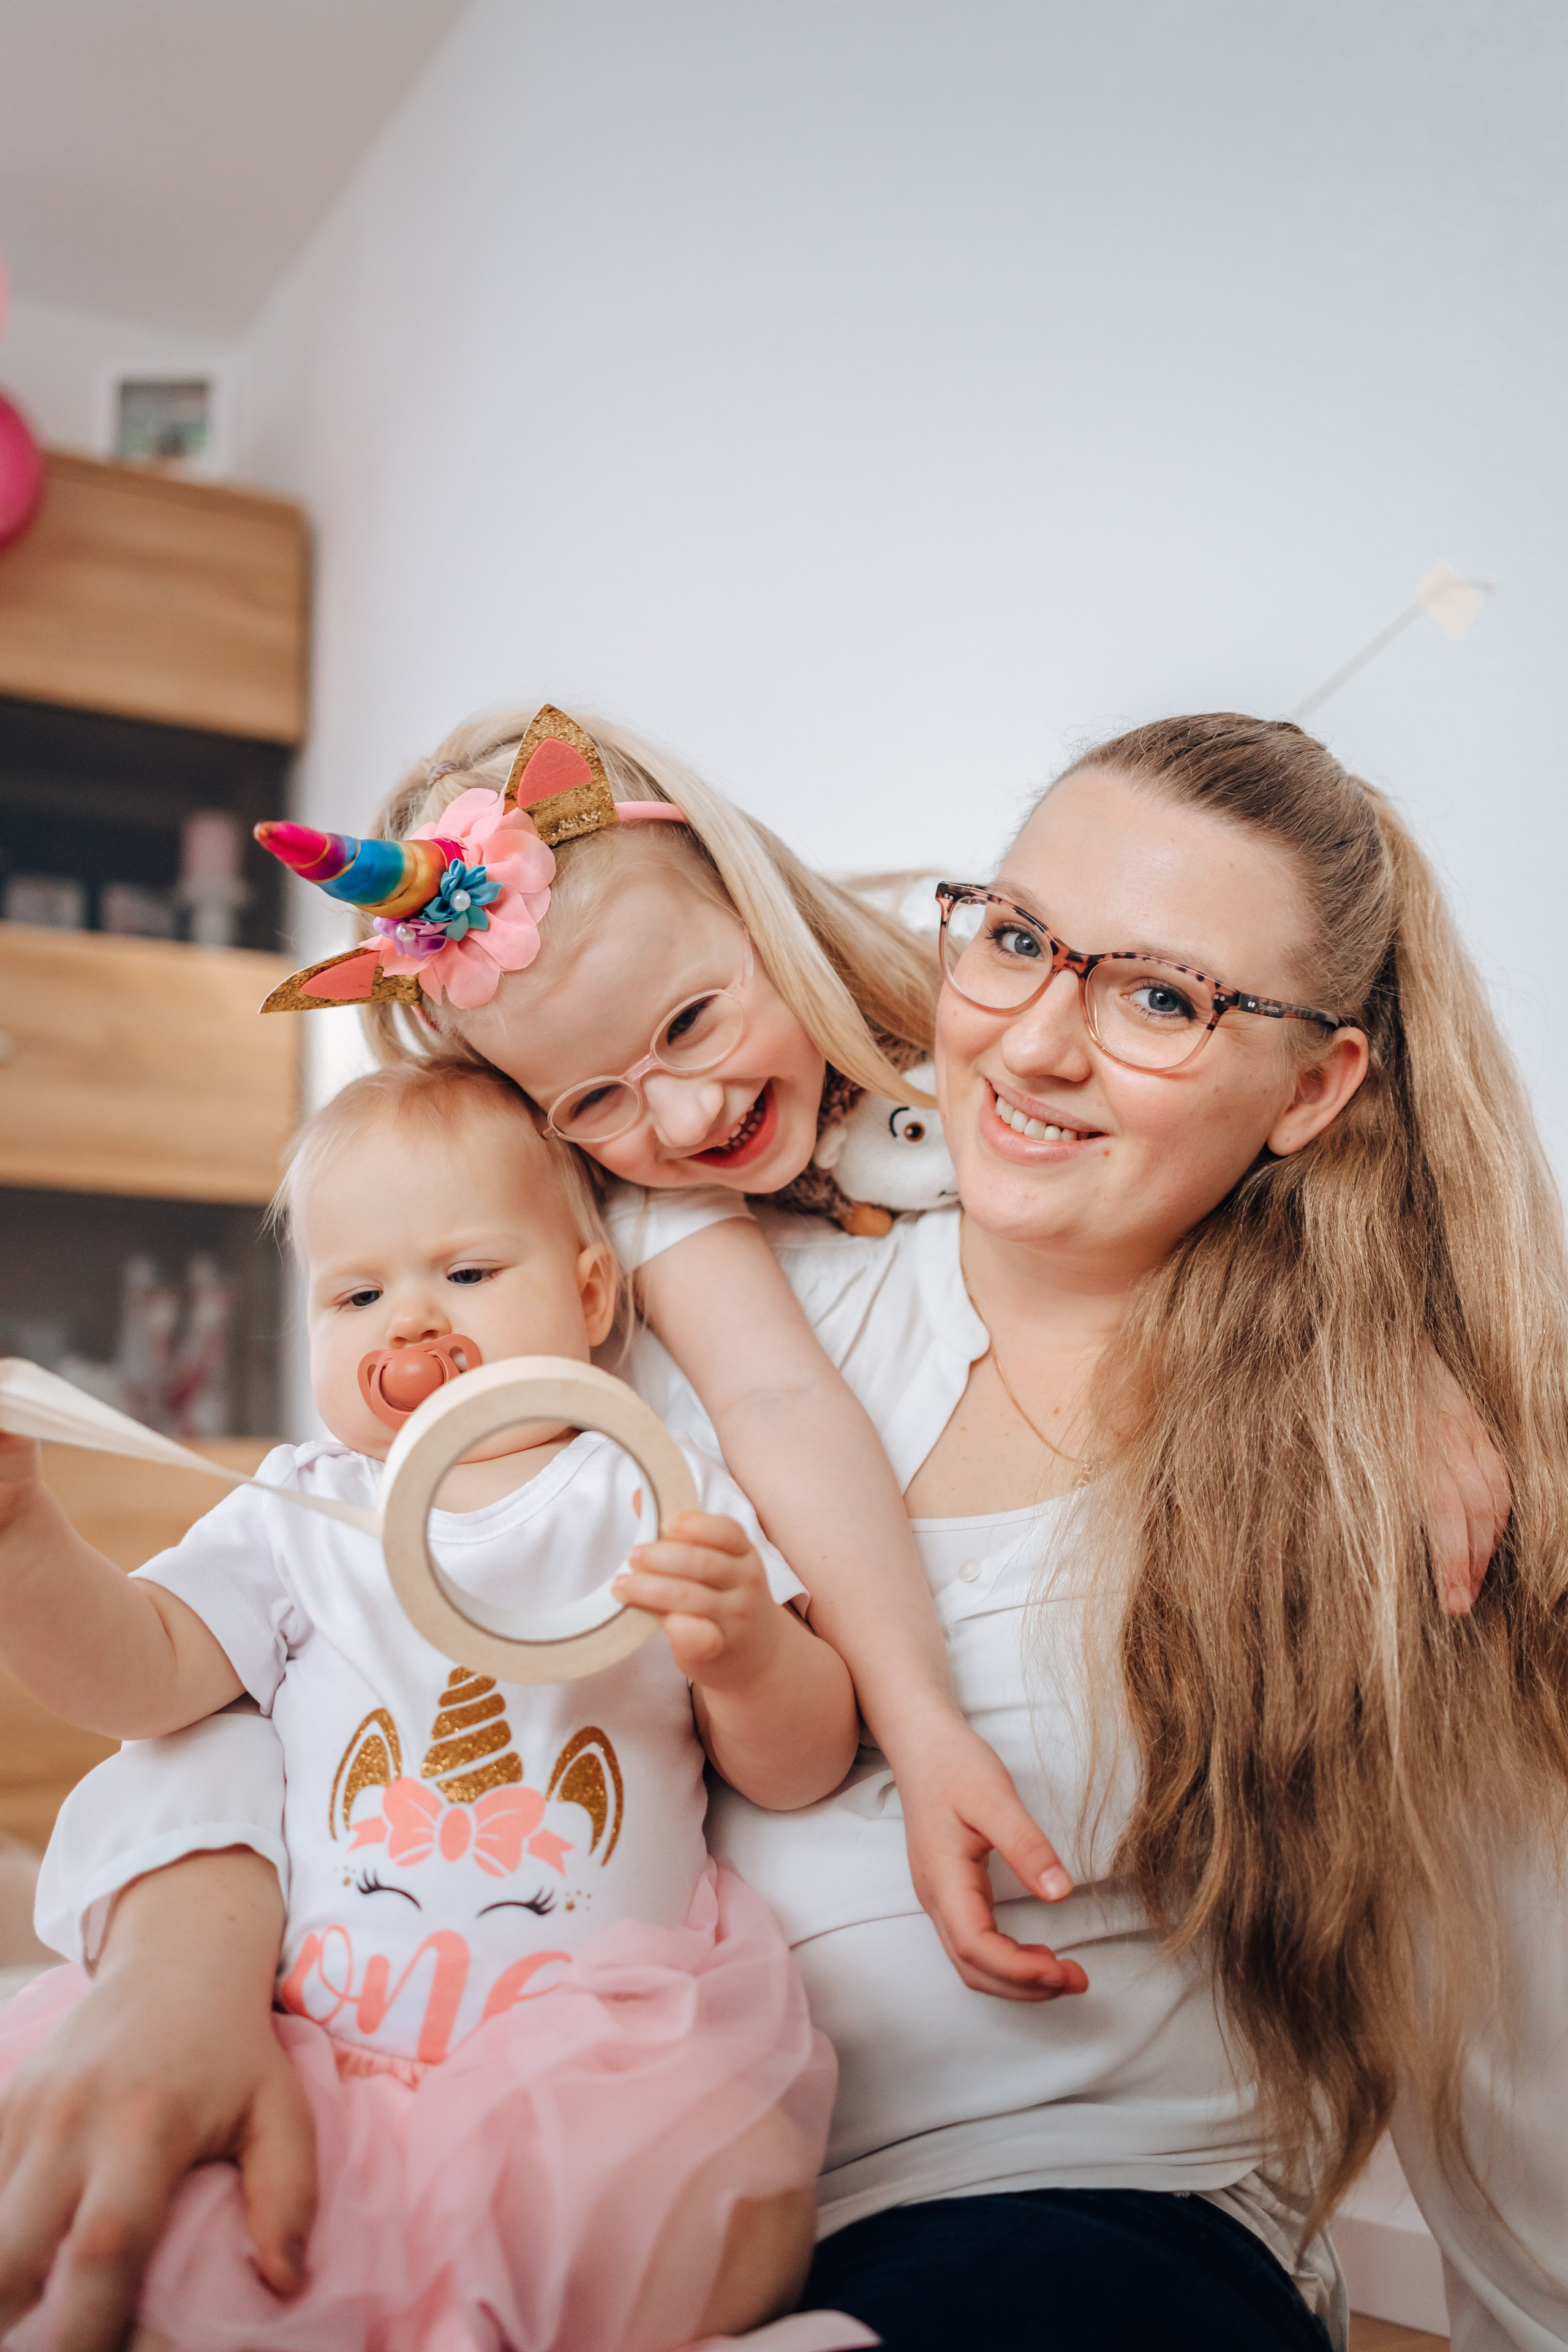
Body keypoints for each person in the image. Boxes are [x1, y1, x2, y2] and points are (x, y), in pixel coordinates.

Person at [1, 714, 1540, 2352]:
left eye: (1160, 996)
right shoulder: (618, 1300)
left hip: (1038, 2229)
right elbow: (303, 1640)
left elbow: (1515, 1994)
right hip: (515, 2129)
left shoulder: (1366, 1440)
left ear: (1314, 1089)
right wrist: (186, 1955)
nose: (1032, 1047)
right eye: (1014, 940)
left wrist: (1404, 1349)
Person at [0, 1062, 863, 2351]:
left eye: (465, 1276)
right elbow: (140, 1673)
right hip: (309, 2039)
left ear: (586, 1293)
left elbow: (798, 1770)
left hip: (583, 2055)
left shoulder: (647, 1492)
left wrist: (743, 1656)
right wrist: (24, 1540)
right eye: (357, 1294)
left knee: (670, 2234)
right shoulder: (301, 1508)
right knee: (183, 2254)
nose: (409, 1321)